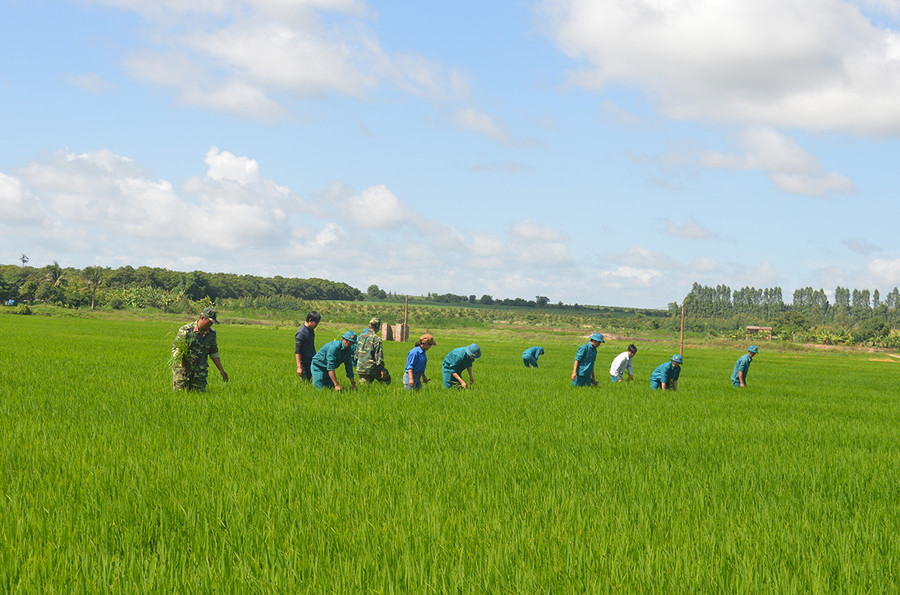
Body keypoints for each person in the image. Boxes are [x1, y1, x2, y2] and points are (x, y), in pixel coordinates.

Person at [171, 306, 229, 391]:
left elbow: (214, 353)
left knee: (198, 398)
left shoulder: (211, 334)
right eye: (209, 322)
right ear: (202, 318)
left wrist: (221, 370)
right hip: (183, 371)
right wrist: (181, 365)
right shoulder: (186, 330)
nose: (210, 324)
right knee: (180, 397)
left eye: (212, 322)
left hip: (200, 373)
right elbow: (176, 349)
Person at [356, 317, 391, 384]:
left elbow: (356, 354)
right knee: (386, 380)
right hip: (371, 367)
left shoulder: (361, 337)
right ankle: (385, 393)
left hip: (360, 367)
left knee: (364, 388)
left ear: (369, 326)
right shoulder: (376, 339)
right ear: (378, 327)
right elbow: (378, 356)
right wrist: (382, 369)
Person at [295, 311, 321, 381]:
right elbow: (298, 351)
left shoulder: (311, 330)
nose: (316, 325)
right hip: (304, 363)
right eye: (316, 323)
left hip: (312, 360)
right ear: (310, 320)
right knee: (305, 383)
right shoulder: (301, 333)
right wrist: (299, 367)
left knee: (312, 381)